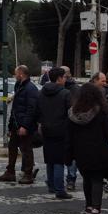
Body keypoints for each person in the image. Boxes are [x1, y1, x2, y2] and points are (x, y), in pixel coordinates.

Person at [66, 83, 108, 214]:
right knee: (97, 180)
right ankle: (96, 210)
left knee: (87, 178)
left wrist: (68, 155)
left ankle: (88, 206)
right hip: (98, 151)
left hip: (80, 152)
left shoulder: (72, 113)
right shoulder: (100, 112)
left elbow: (68, 136)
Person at [35, 67, 72, 199]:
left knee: (50, 160)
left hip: (46, 130)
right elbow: (70, 112)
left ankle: (51, 185)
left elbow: (37, 111)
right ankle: (59, 190)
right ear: (59, 78)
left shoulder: (41, 93)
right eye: (64, 77)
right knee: (59, 161)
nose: (65, 79)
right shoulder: (65, 94)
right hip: (61, 130)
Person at [0, 65, 38, 184]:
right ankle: (10, 172)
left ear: (21, 74)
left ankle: (28, 174)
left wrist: (25, 126)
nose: (14, 76)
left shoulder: (30, 89)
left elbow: (31, 109)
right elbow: (16, 108)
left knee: (26, 149)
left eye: (16, 74)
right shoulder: (19, 87)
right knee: (12, 147)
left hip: (25, 125)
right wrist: (11, 126)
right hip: (16, 124)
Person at [61, 65, 79, 191]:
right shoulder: (74, 89)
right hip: (64, 124)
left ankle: (71, 179)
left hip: (70, 124)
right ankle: (68, 178)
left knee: (71, 154)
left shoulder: (74, 89)